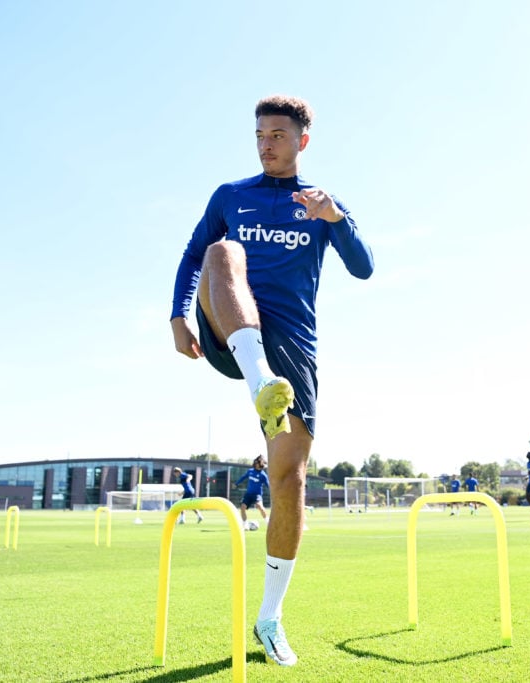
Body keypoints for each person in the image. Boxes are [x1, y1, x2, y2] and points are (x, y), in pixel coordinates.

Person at [169, 94, 374, 667]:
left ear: (302, 141)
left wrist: (335, 217)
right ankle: (260, 379)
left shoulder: (318, 204)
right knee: (222, 249)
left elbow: (363, 267)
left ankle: (269, 618)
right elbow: (194, 257)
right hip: (232, 331)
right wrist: (178, 314)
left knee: (289, 479)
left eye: (278, 136)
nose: (266, 144)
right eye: (260, 135)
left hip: (294, 346)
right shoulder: (231, 196)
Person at [236, 455, 270, 530]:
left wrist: (272, 492)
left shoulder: (263, 475)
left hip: (257, 495)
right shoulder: (250, 471)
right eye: (255, 462)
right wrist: (236, 483)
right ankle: (245, 525)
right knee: (242, 507)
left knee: (259, 506)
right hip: (248, 494)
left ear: (261, 464)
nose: (255, 464)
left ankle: (268, 522)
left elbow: (268, 485)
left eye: (257, 463)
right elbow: (243, 477)